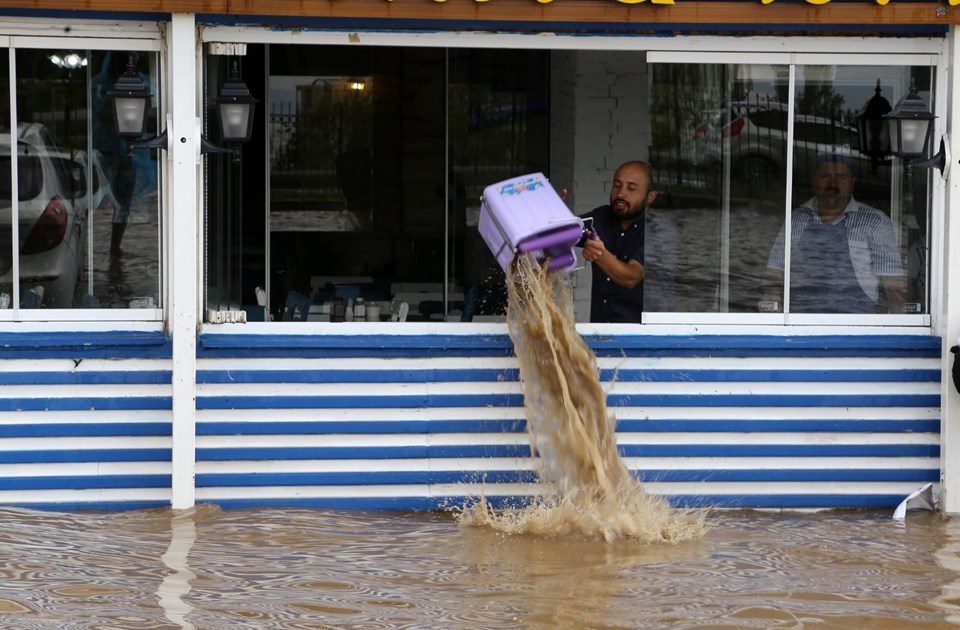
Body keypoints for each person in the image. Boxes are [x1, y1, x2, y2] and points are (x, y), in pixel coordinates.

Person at [764, 146, 905, 314]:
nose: (833, 184)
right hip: (800, 322)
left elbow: (894, 288)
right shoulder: (796, 220)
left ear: (852, 183)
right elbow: (773, 276)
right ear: (814, 180)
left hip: (858, 324)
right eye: (825, 176)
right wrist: (772, 313)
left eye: (841, 177)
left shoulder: (875, 222)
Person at [578, 160, 676, 323]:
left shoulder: (659, 230)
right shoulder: (602, 216)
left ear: (650, 197)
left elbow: (631, 277)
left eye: (631, 188)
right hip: (600, 331)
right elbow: (564, 231)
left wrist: (600, 254)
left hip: (643, 334)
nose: (621, 194)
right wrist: (553, 212)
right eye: (617, 185)